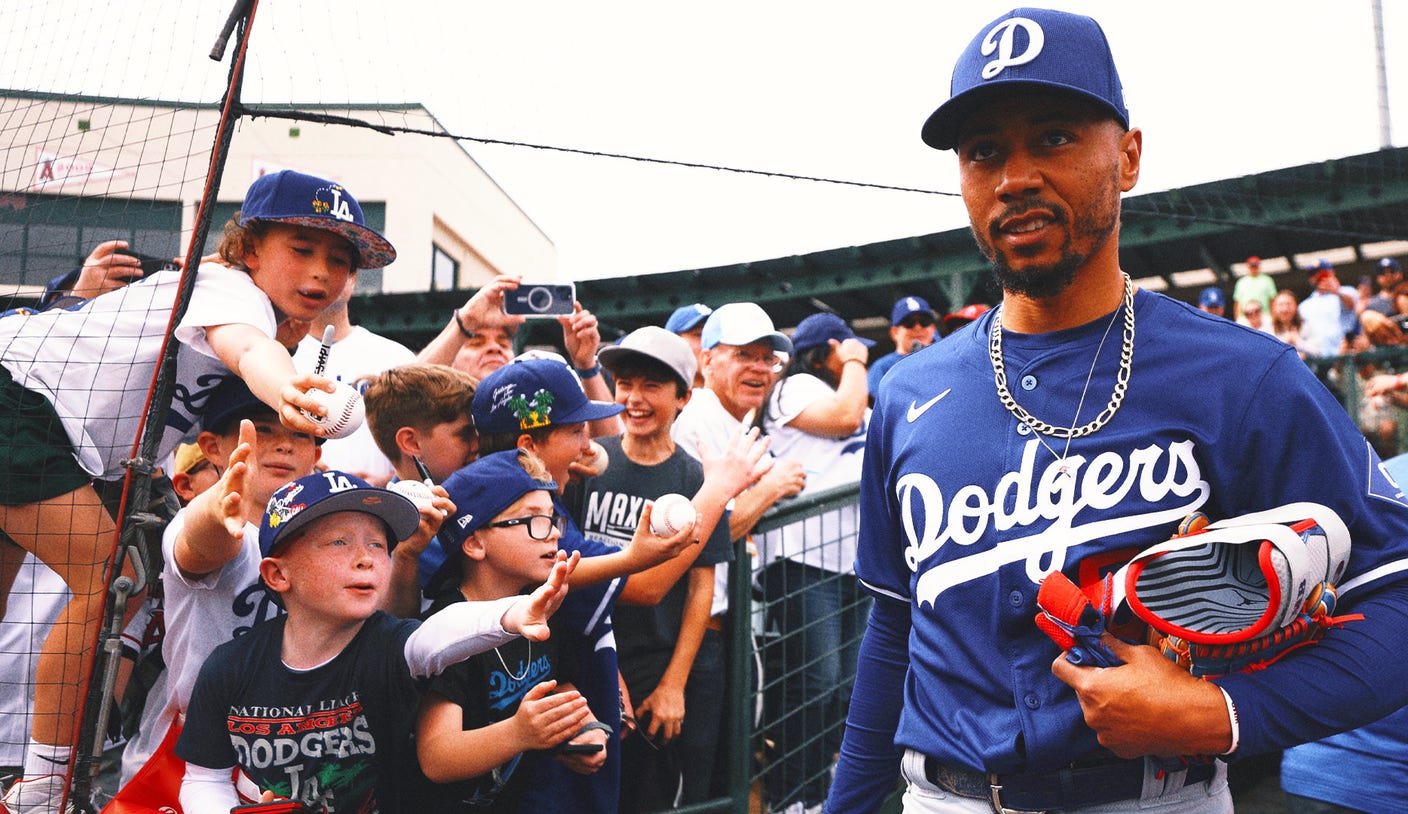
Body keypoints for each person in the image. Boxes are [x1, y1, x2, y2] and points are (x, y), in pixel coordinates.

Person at [828, 9, 1408, 814]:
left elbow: (1396, 596)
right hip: (943, 796)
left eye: (1055, 136)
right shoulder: (906, 393)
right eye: (983, 150)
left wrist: (1226, 713)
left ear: (1128, 156)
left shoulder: (1243, 376)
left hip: (1154, 794)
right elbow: (893, 631)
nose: (1015, 176)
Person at [0, 168, 381, 814]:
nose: (322, 271)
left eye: (340, 260)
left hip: (45, 424)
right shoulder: (232, 292)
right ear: (251, 249)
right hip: (19, 399)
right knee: (113, 575)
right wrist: (287, 386)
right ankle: (42, 787)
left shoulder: (252, 304)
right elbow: (248, 349)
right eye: (303, 248)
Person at [174, 469, 577, 812]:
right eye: (338, 542)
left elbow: (440, 632)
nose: (365, 557)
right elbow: (203, 778)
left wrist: (510, 615)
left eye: (378, 544)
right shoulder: (229, 666)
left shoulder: (390, 645)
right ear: (277, 574)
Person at [467, 355, 699, 813]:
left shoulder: (543, 498)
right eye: (576, 431)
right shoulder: (521, 514)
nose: (588, 443)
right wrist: (720, 488)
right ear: (529, 445)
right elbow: (637, 584)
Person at [568, 325, 764, 811]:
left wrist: (675, 683)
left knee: (656, 794)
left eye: (651, 386)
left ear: (683, 397)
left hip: (654, 660)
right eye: (625, 384)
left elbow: (703, 586)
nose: (634, 398)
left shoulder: (693, 475)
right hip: (590, 658)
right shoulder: (590, 460)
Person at [416, 449, 603, 811]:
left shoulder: (540, 598)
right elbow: (436, 756)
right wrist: (518, 733)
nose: (552, 534)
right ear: (474, 542)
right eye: (533, 520)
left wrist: (584, 727)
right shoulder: (450, 628)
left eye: (553, 518)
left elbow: (558, 681)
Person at [756, 312, 872, 814]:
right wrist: (856, 362)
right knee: (816, 680)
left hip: (851, 562)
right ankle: (792, 797)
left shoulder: (846, 393)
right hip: (803, 557)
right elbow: (846, 417)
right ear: (825, 348)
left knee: (843, 685)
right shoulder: (793, 387)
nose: (853, 356)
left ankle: (817, 793)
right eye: (843, 348)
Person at [292, 272, 416, 485]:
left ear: (353, 277)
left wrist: (390, 482)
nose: (322, 274)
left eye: (337, 263)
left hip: (377, 507)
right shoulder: (273, 356)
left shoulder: (397, 356)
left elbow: (422, 445)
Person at [866, 297, 936, 397]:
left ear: (933, 329)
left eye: (924, 321)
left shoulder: (944, 360)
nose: (918, 327)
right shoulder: (882, 367)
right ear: (895, 332)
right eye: (909, 323)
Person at [1299, 260, 1358, 358]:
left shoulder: (1348, 291)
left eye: (1322, 273)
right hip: (1318, 356)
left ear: (1332, 273)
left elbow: (1351, 305)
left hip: (1345, 352)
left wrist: (1337, 291)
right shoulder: (1304, 305)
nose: (1317, 277)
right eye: (1313, 274)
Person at [664, 303, 713, 390]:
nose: (709, 342)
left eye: (713, 335)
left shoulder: (733, 398)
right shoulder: (659, 395)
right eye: (699, 335)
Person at [1231, 255, 1276, 321]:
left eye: (1256, 265)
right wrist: (1237, 319)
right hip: (1245, 317)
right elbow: (1237, 303)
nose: (1254, 268)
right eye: (1252, 266)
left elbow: (1272, 300)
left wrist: (1273, 317)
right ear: (1248, 266)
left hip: (1264, 316)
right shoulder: (1241, 282)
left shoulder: (1267, 280)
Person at [1271, 288, 1308, 355]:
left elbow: (1319, 351)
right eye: (1281, 305)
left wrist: (1297, 340)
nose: (1285, 309)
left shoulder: (1306, 326)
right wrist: (1284, 342)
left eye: (1288, 304)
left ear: (1296, 306)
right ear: (1274, 308)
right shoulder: (1267, 329)